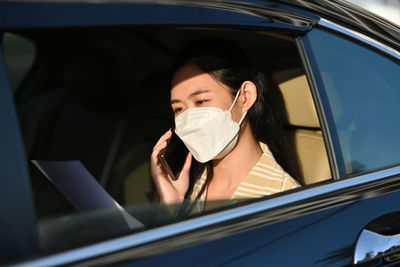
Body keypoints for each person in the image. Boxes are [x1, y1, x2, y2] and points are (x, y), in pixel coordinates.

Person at [151, 39, 300, 213]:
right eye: (178, 109)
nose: (189, 118)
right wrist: (171, 207)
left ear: (245, 96)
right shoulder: (186, 185)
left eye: (201, 101)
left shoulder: (286, 201)